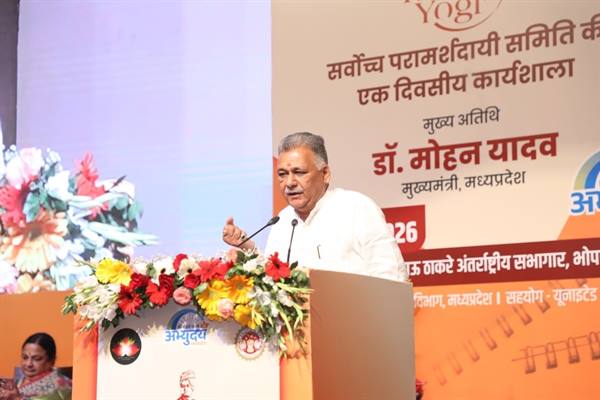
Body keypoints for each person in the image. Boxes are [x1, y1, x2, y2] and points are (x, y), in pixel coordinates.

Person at [223, 132, 408, 281]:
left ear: (325, 173)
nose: (289, 183)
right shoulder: (282, 221)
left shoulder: (356, 208)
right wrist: (248, 248)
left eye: (299, 172)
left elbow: (393, 276)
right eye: (282, 174)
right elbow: (275, 281)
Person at [0, 333, 72, 400]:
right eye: (25, 357)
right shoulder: (18, 382)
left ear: (51, 360)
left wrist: (17, 398)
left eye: (37, 359)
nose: (28, 364)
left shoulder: (63, 387)